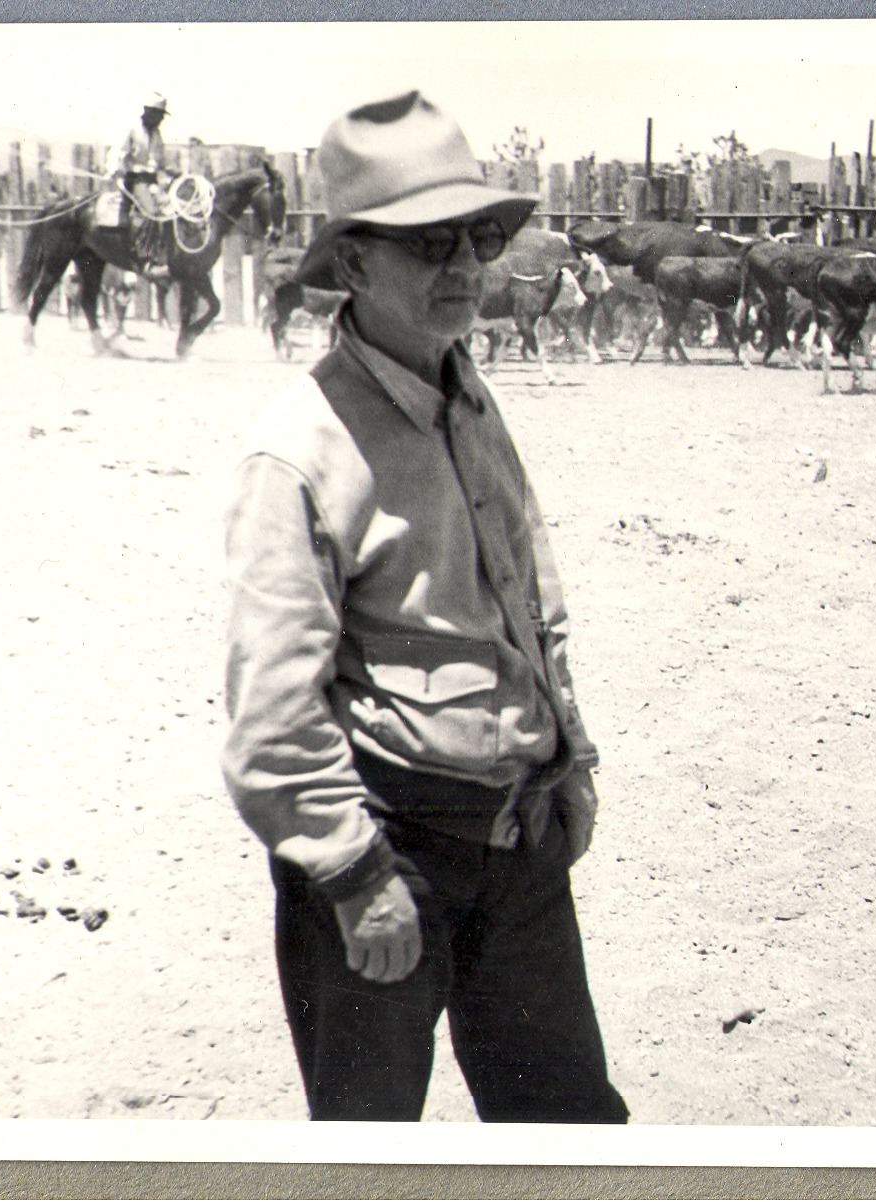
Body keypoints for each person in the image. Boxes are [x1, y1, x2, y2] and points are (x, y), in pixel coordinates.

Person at [220, 90, 629, 1124]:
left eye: (476, 238)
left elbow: (526, 594)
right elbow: (273, 713)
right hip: (386, 843)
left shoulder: (466, 387)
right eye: (425, 243)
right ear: (352, 263)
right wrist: (356, 875)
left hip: (517, 839)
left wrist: (567, 760)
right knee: (369, 1147)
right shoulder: (303, 449)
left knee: (572, 1138)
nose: (461, 268)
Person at [111, 92, 171, 280]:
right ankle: (146, 258)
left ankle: (164, 254)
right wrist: (116, 172)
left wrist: (170, 172)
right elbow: (118, 153)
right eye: (159, 115)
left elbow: (160, 160)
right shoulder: (132, 129)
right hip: (134, 179)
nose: (161, 119)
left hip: (151, 180)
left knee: (171, 209)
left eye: (162, 116)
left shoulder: (156, 134)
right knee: (151, 212)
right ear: (148, 112)